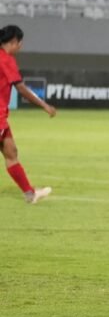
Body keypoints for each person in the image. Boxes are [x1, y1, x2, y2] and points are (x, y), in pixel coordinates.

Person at [0, 25, 55, 204]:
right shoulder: (6, 60)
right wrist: (44, 105)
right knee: (11, 153)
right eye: (20, 43)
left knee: (11, 152)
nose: (21, 47)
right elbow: (21, 89)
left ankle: (30, 194)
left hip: (2, 118)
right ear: (14, 41)